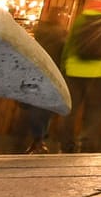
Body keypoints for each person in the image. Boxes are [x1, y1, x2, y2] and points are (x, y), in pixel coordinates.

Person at [62, 0, 101, 151]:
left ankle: (66, 145)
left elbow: (69, 44)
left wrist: (64, 67)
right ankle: (86, 145)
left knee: (70, 111)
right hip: (99, 73)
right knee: (94, 113)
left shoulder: (81, 18)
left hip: (74, 71)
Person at [20, 12, 69, 153]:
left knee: (35, 107)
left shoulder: (38, 33)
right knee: (43, 109)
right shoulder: (62, 35)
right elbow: (63, 57)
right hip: (51, 75)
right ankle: (38, 140)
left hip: (33, 73)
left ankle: (35, 140)